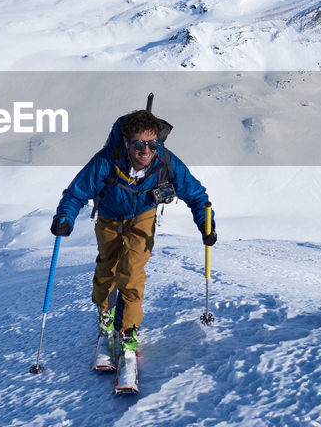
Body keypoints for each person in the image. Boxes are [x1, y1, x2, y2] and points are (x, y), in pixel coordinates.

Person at [51, 108, 216, 354]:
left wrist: (206, 222)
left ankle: (128, 329)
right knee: (108, 268)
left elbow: (196, 194)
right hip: (109, 216)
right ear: (127, 142)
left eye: (152, 143)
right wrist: (65, 218)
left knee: (132, 272)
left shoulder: (166, 161)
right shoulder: (105, 161)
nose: (146, 150)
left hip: (143, 215)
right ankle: (105, 311)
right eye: (139, 144)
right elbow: (76, 193)